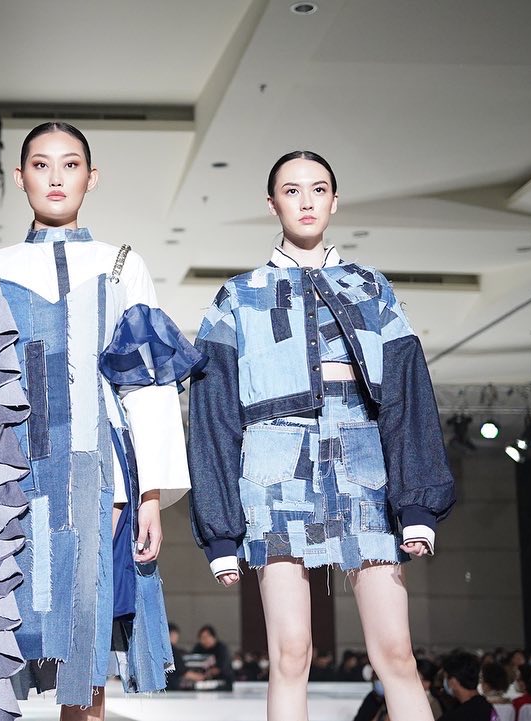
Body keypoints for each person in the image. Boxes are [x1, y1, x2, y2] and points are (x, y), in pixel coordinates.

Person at [0, 121, 198, 721]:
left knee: (86, 664)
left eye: (70, 164)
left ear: (92, 177)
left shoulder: (122, 265)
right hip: (7, 480)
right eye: (41, 165)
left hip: (100, 481)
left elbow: (146, 386)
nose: (56, 177)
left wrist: (150, 494)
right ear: (19, 178)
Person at [188, 150, 456, 721]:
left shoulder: (370, 287)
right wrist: (220, 532)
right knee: (290, 655)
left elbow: (408, 392)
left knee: (397, 654)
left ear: (335, 200)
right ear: (271, 204)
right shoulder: (239, 295)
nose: (306, 201)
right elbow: (213, 415)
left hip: (364, 471)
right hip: (275, 471)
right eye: (291, 190)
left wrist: (418, 504)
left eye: (318, 189)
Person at [439, 652, 495, 721]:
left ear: (453, 682)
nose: (444, 683)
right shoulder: (487, 707)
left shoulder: (457, 716)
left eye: (445, 678)